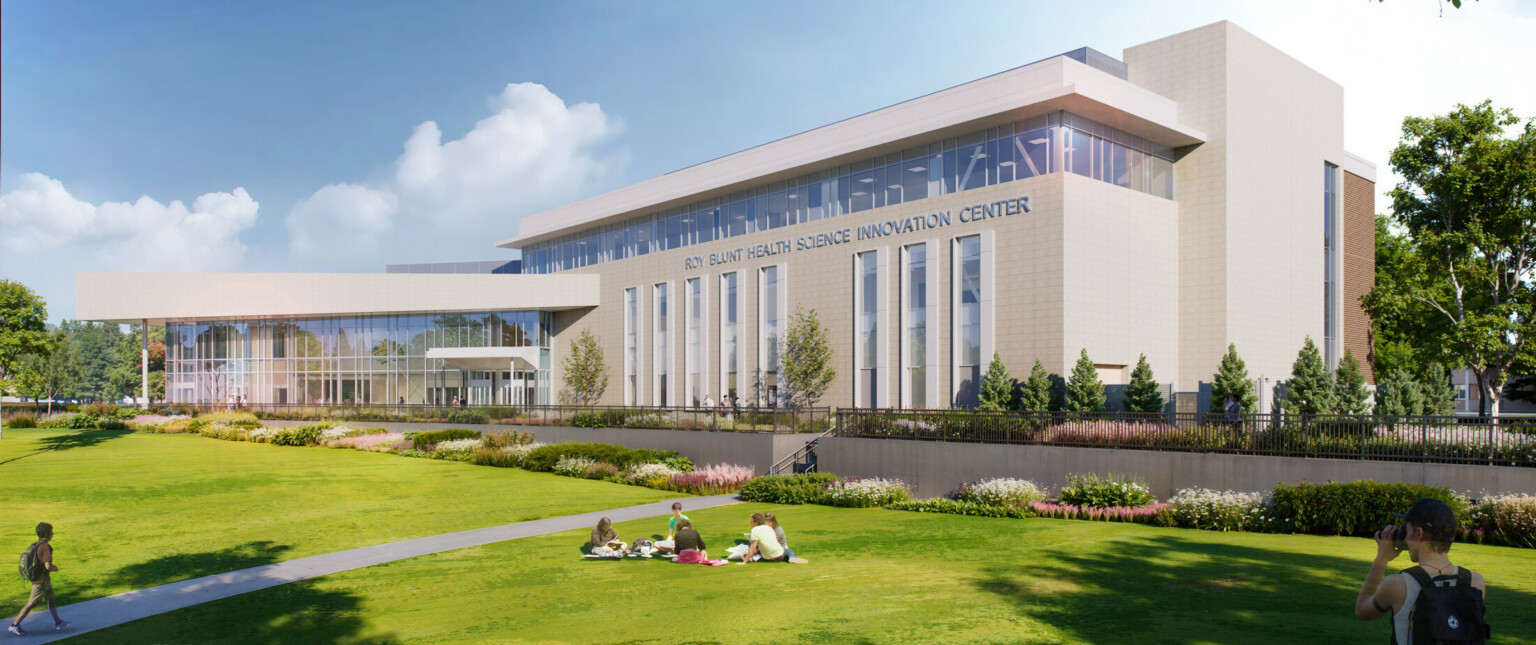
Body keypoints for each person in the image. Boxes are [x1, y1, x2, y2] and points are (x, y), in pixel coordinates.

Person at [1354, 498, 1490, 644]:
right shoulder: (1475, 582)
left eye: (1407, 530)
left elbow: (1362, 611)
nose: (1405, 539)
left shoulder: (1398, 585)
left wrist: (1381, 560)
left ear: (1419, 533)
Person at [10, 523, 68, 636]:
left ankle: (58, 622)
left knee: (51, 600)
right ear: (46, 534)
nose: (53, 534)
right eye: (51, 532)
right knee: (32, 603)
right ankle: (14, 625)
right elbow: (48, 566)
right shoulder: (46, 547)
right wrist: (55, 568)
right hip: (40, 582)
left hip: (45, 580)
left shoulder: (37, 544)